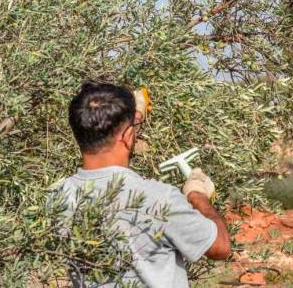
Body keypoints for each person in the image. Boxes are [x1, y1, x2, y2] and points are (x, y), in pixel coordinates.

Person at [56, 81, 230, 287]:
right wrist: (197, 194)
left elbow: (109, 158)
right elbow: (220, 247)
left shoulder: (59, 198)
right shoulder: (158, 199)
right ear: (128, 137)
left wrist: (132, 119)